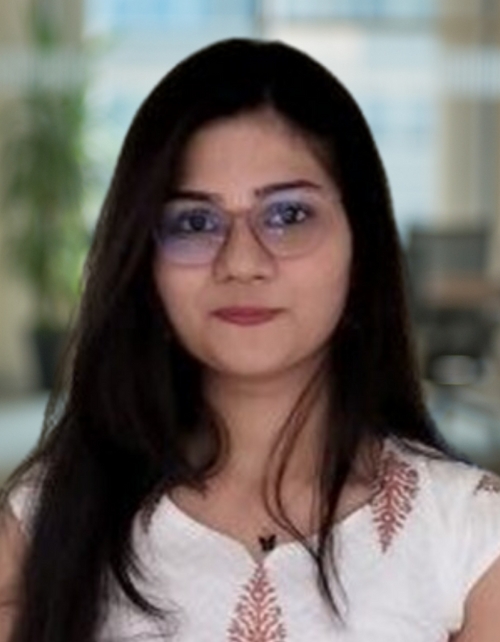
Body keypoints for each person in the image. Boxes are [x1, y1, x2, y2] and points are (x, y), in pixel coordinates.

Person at [1, 38, 500, 642]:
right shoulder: (40, 526)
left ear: (362, 244)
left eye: (289, 215)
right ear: (145, 263)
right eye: (194, 222)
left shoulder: (470, 537)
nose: (241, 262)